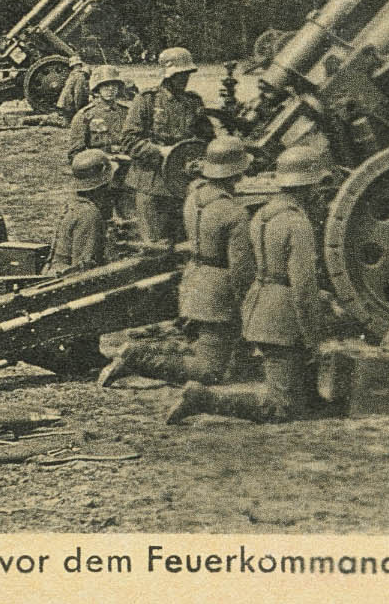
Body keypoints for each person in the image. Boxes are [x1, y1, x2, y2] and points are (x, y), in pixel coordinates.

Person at [164, 145, 349, 425]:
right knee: (282, 408)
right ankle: (204, 399)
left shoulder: (262, 214)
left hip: (258, 308)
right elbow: (302, 290)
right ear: (311, 185)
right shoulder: (298, 224)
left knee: (296, 392)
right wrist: (314, 339)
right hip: (281, 319)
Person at [99, 136, 255, 388]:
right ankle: (136, 358)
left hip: (193, 280)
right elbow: (241, 270)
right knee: (212, 371)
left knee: (208, 350)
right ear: (237, 172)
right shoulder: (235, 213)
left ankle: (138, 351)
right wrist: (247, 304)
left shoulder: (195, 197)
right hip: (217, 295)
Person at [120, 46, 213, 243]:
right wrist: (161, 151)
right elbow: (129, 140)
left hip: (183, 182)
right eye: (179, 75)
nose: (184, 79)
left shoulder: (193, 102)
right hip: (152, 183)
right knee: (155, 244)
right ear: (168, 75)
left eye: (187, 74)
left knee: (183, 241)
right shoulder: (147, 100)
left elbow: (207, 139)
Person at [45, 150, 115, 275]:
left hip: (54, 271)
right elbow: (83, 267)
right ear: (102, 186)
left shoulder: (74, 203)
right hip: (67, 278)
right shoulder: (89, 214)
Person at [56, 55, 91, 123]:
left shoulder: (72, 74)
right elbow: (78, 93)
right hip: (70, 103)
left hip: (64, 101)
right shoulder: (80, 76)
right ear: (79, 65)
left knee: (67, 121)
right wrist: (78, 108)